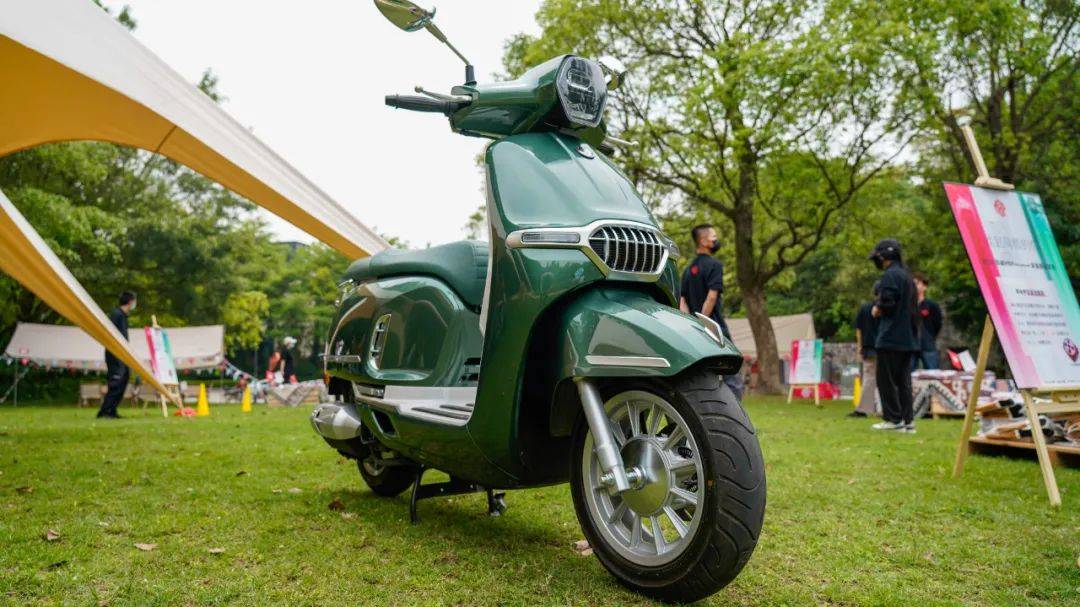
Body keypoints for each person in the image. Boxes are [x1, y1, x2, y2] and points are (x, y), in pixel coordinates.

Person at [679, 224, 744, 399]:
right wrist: (704, 323)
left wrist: (692, 324)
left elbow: (682, 300)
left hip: (694, 332)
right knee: (732, 373)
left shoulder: (688, 270)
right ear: (703, 241)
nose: (716, 240)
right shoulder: (714, 265)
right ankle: (735, 411)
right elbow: (712, 297)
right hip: (714, 328)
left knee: (703, 373)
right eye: (713, 237)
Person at [868, 239, 920, 433]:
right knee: (904, 382)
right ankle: (908, 421)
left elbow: (889, 303)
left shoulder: (890, 275)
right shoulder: (907, 277)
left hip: (891, 336)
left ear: (884, 256)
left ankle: (893, 419)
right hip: (907, 338)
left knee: (886, 380)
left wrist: (877, 308)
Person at [96, 291, 136, 419]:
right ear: (130, 301)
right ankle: (105, 411)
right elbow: (109, 333)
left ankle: (112, 410)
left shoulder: (123, 316)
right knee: (116, 382)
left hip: (122, 353)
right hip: (114, 353)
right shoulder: (116, 314)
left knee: (125, 377)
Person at [850, 287, 881, 418]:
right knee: (885, 379)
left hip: (869, 348)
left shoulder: (865, 308)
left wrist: (859, 347)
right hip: (884, 348)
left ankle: (863, 409)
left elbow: (859, 330)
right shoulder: (889, 309)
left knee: (869, 378)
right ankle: (884, 409)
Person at [911, 272, 944, 370]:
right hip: (911, 345)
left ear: (924, 286)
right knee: (908, 374)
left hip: (928, 345)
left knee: (933, 374)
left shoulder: (932, 305)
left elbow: (938, 323)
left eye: (917, 283)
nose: (914, 287)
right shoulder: (907, 306)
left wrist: (930, 336)